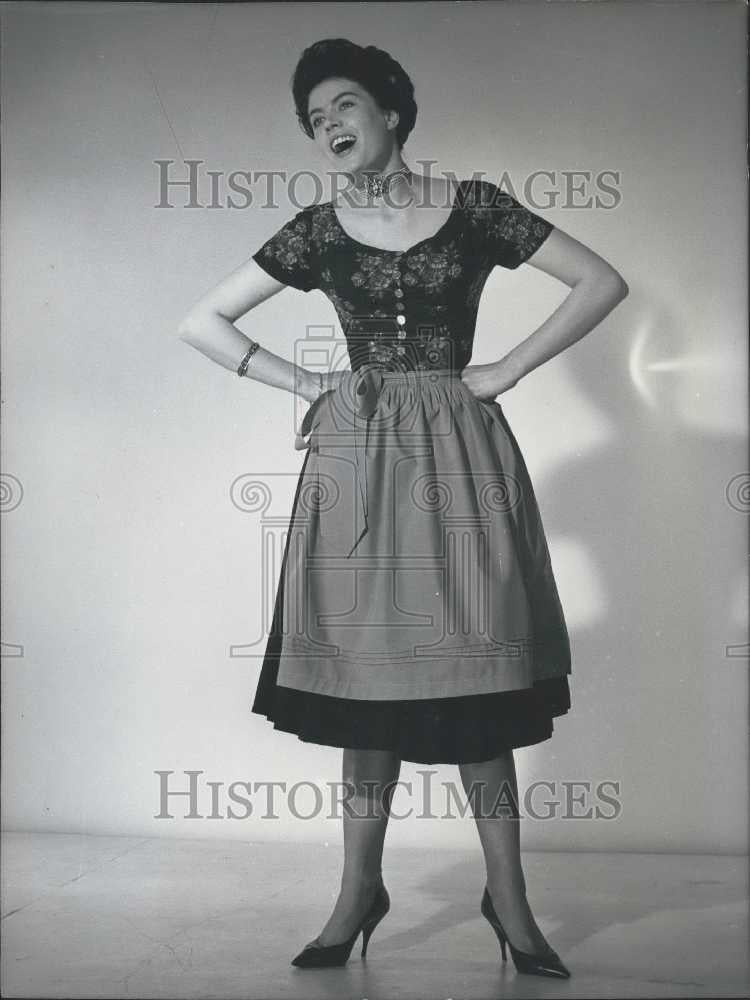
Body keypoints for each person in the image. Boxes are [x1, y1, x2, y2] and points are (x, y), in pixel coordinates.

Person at [178, 37, 628, 980]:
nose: (329, 127)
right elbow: (202, 321)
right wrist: (307, 380)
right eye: (313, 120)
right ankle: (357, 894)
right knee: (365, 685)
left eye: (344, 105)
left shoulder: (475, 210)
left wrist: (501, 369)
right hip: (360, 460)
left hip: (461, 455)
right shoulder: (315, 229)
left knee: (481, 676)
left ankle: (509, 902)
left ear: (391, 110)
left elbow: (601, 282)